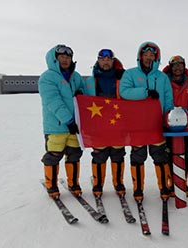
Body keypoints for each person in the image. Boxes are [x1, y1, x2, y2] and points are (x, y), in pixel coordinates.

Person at [119, 41, 174, 201]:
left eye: (152, 55)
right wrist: (145, 92)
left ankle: (164, 186)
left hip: (156, 124)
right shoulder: (130, 74)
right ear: (140, 56)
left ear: (156, 58)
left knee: (160, 157)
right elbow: (124, 92)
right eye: (146, 54)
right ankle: (138, 188)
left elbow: (168, 99)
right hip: (137, 125)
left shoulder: (162, 77)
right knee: (138, 157)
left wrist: (167, 118)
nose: (148, 57)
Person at [39, 44, 85, 198]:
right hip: (56, 127)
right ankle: (51, 185)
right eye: (62, 57)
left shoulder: (76, 77)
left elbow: (85, 96)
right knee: (54, 155)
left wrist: (81, 94)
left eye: (68, 57)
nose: (65, 60)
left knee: (74, 155)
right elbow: (53, 101)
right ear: (55, 59)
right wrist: (68, 120)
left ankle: (73, 183)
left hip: (75, 127)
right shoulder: (47, 77)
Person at [85, 49, 126, 196]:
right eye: (103, 59)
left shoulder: (122, 78)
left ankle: (118, 182)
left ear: (113, 61)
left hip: (117, 122)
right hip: (98, 123)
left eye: (109, 59)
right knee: (99, 155)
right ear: (98, 61)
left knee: (117, 154)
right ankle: (98, 184)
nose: (106, 61)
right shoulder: (90, 81)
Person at [163, 55, 188, 197]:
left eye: (180, 64)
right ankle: (171, 182)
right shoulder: (164, 81)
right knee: (168, 155)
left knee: (185, 154)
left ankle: (183, 182)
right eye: (174, 65)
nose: (177, 68)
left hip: (186, 126)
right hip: (167, 125)